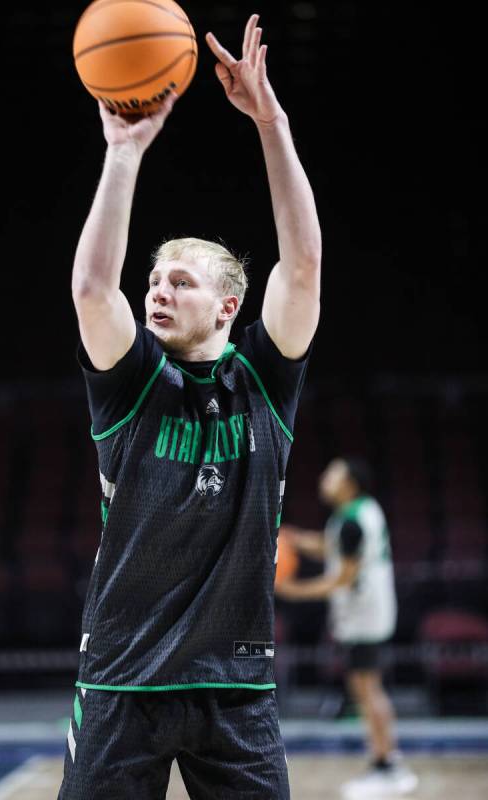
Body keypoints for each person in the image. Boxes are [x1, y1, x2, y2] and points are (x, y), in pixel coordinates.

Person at [59, 13, 321, 799]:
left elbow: (303, 264)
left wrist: (270, 123)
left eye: (182, 281)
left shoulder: (264, 385)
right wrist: (122, 153)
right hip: (120, 679)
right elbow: (90, 289)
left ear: (230, 306)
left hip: (234, 686)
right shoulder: (130, 381)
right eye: (156, 280)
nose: (159, 290)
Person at [275, 457, 419, 799]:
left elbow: (341, 578)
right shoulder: (358, 512)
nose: (325, 478)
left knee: (367, 689)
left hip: (364, 614)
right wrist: (297, 538)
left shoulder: (352, 522)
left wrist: (293, 591)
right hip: (371, 612)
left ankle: (387, 766)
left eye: (333, 474)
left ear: (350, 483)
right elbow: (332, 545)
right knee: (366, 689)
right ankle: (387, 760)